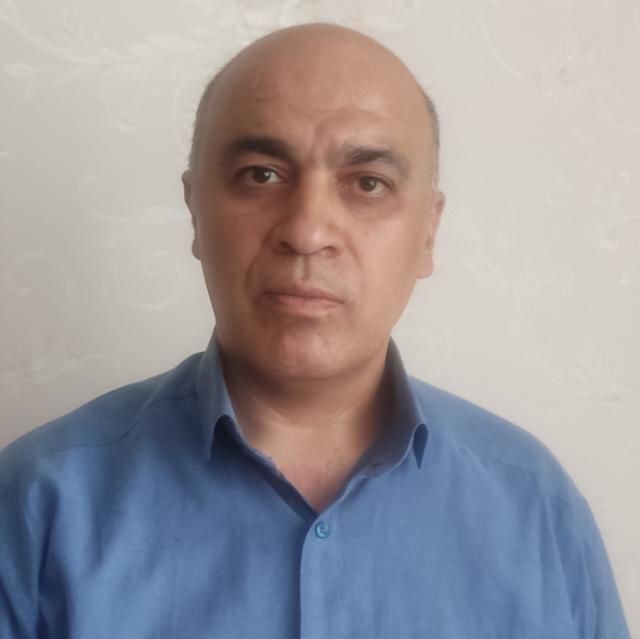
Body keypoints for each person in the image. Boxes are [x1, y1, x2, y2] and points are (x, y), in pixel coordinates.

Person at [0, 22, 630, 639]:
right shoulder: (38, 503)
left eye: (368, 183)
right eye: (262, 174)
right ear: (195, 210)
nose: (306, 231)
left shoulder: (537, 508)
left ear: (428, 232)